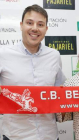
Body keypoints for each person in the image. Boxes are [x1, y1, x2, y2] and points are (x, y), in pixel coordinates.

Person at [0, 4, 66, 140]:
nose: (34, 28)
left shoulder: (54, 56)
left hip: (49, 135)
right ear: (21, 25)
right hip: (15, 135)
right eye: (29, 23)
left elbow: (60, 92)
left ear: (46, 29)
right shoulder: (3, 54)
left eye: (40, 24)